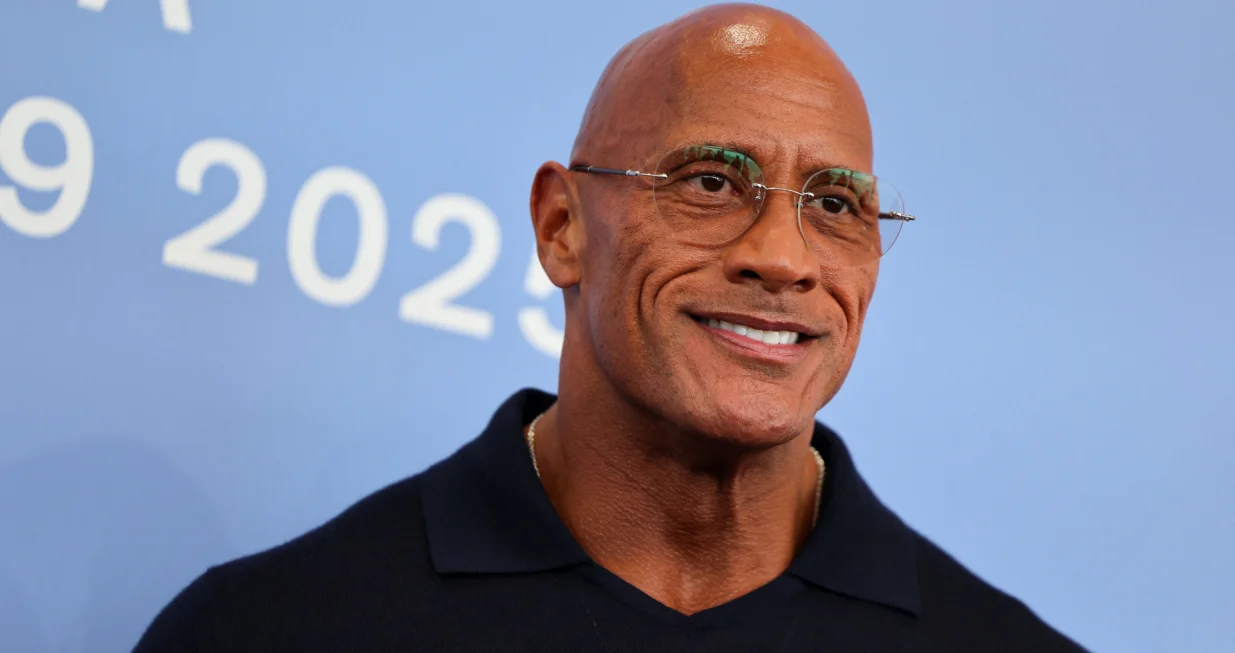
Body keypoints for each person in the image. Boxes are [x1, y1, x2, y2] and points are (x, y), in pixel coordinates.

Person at [133, 4, 1086, 651]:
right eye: (712, 183)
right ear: (561, 227)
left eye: (835, 204)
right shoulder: (272, 627)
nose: (785, 256)